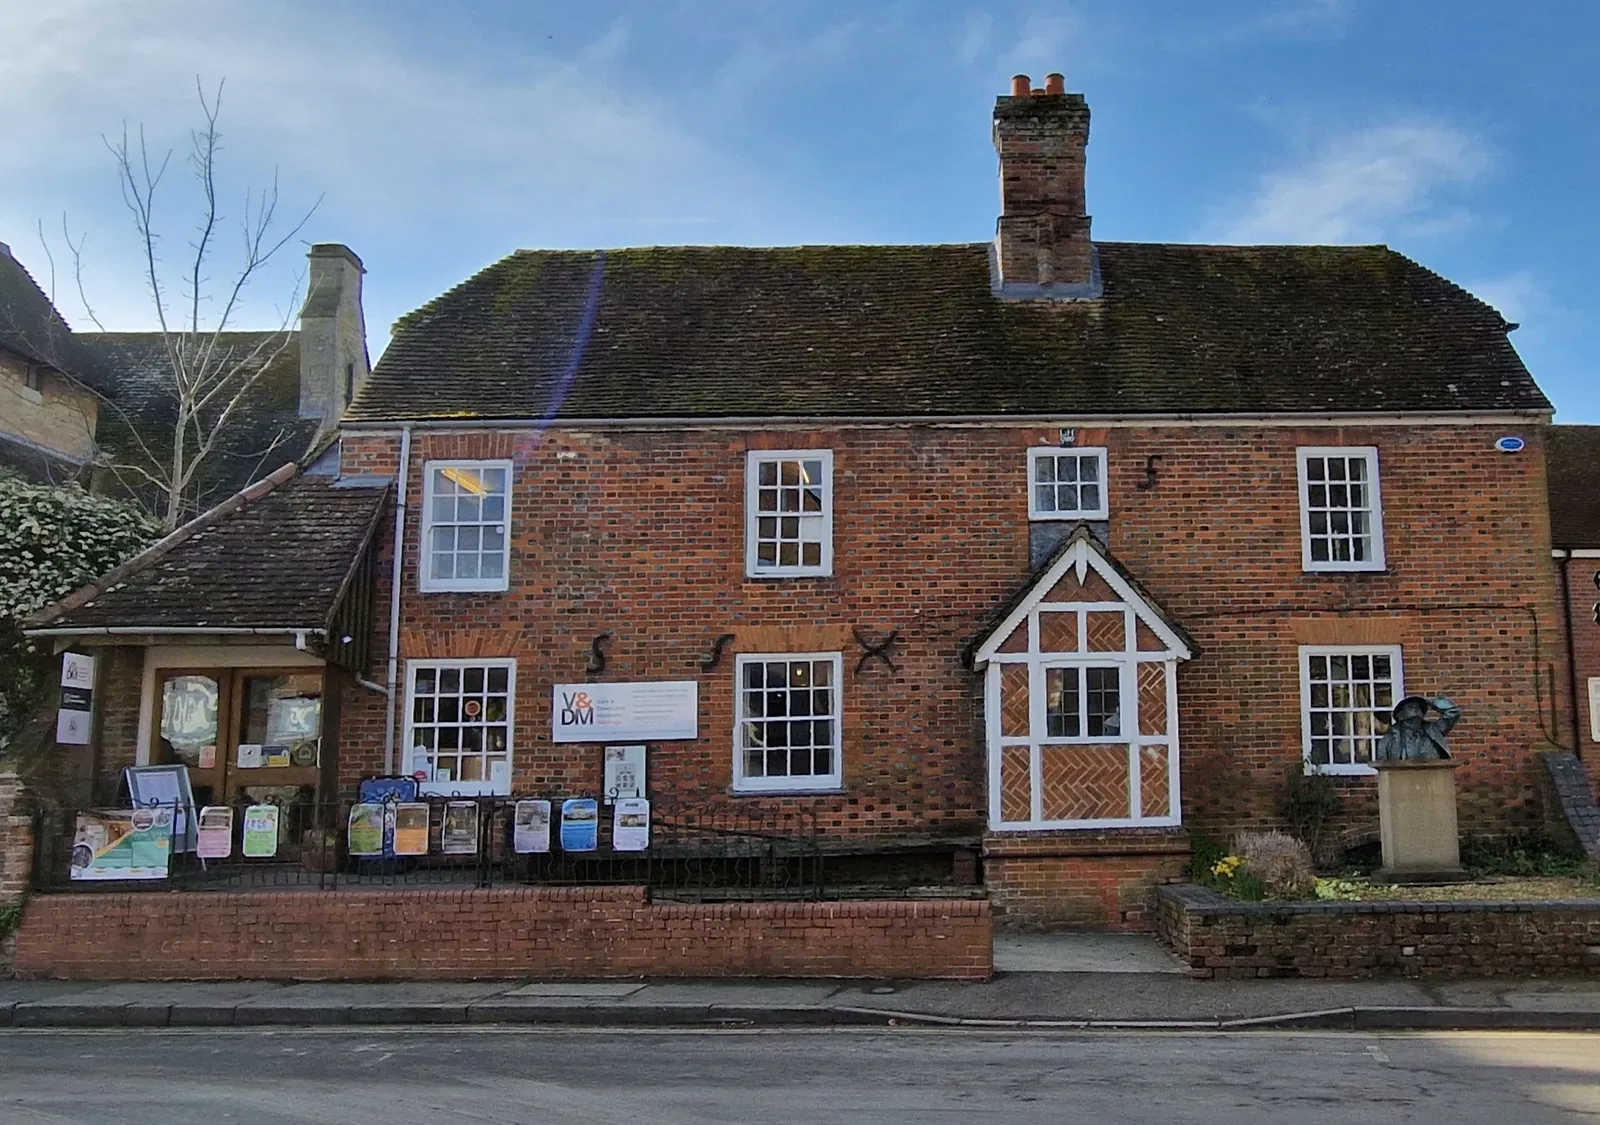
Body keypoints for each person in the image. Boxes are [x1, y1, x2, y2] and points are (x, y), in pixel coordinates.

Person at [1374, 696, 1461, 762]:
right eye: (1410, 706)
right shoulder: (1387, 741)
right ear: (1400, 715)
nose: (1415, 708)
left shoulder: (1434, 730)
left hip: (1433, 777)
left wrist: (1431, 702)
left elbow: (1453, 711)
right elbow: (1383, 769)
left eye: (1418, 707)